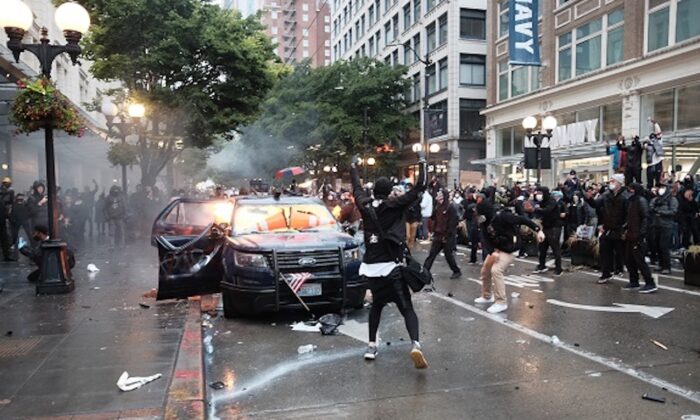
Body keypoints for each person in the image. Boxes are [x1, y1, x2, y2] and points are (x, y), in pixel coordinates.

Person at [351, 153, 428, 369]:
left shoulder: (365, 205)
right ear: (388, 192)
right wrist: (422, 164)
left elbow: (356, 188)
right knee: (407, 308)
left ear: (374, 191)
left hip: (371, 269)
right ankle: (415, 344)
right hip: (391, 267)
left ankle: (372, 346)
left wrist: (353, 167)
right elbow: (419, 187)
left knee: (376, 306)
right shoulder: (393, 205)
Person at [475, 208, 545, 313]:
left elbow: (523, 219)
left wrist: (538, 230)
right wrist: (491, 252)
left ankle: (501, 302)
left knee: (496, 270)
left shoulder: (504, 217)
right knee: (485, 270)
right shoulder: (483, 222)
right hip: (497, 249)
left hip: (510, 249)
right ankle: (487, 296)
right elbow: (485, 238)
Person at [586, 174, 627, 284]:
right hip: (607, 227)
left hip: (619, 228)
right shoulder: (606, 195)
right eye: (610, 181)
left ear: (619, 183)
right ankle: (606, 273)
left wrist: (625, 228)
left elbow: (629, 213)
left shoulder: (625, 195)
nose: (611, 183)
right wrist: (589, 198)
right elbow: (596, 204)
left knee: (620, 251)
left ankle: (620, 268)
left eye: (613, 181)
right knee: (605, 251)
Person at [623, 183, 657, 293]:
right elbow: (630, 219)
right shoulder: (632, 201)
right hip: (631, 234)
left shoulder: (641, 201)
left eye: (631, 189)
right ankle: (634, 281)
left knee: (640, 260)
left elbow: (645, 218)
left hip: (637, 235)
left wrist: (641, 234)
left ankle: (650, 283)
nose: (629, 191)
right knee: (629, 259)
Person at [423, 189, 462, 279]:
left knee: (448, 255)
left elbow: (453, 223)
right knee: (432, 254)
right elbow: (434, 218)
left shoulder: (450, 207)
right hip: (438, 234)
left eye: (439, 194)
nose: (437, 195)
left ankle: (456, 271)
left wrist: (447, 235)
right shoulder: (437, 206)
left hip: (446, 236)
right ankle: (425, 270)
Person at [532, 187, 564, 276]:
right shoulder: (542, 202)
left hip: (554, 227)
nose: (538, 195)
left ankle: (559, 268)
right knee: (542, 247)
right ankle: (542, 265)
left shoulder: (551, 201)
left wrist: (536, 209)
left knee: (555, 248)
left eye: (540, 193)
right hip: (546, 226)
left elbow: (547, 211)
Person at [649, 183, 678, 274]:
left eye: (663, 187)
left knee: (664, 246)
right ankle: (661, 264)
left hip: (666, 225)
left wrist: (660, 212)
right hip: (656, 225)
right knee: (657, 246)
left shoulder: (672, 200)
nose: (660, 189)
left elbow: (673, 211)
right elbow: (651, 207)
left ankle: (667, 266)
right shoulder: (656, 199)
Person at [0, 177, 15, 261]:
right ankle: (6, 255)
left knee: (5, 238)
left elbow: (9, 205)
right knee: (4, 238)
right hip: (2, 218)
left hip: (3, 219)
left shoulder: (7, 193)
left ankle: (7, 255)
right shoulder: (5, 192)